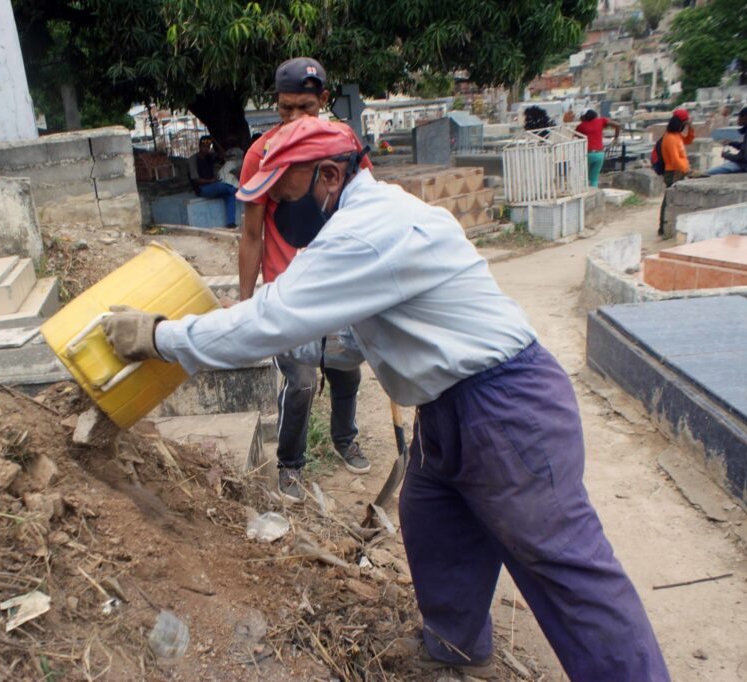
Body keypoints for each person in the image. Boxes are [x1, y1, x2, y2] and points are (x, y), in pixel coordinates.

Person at [102, 116, 671, 681]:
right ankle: (456, 648)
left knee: (564, 566)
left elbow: (270, 321)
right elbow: (287, 302)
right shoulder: (351, 225)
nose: (276, 211)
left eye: (283, 195)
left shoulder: (368, 229)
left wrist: (157, 337)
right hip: (451, 407)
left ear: (329, 176)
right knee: (432, 520)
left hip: (505, 408)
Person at [238, 57, 374, 502]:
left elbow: (365, 212)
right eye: (285, 109)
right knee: (298, 384)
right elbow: (252, 234)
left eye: (306, 108)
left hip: (338, 290)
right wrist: (245, 304)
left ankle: (343, 439)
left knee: (346, 372)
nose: (295, 120)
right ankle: (290, 464)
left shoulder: (345, 145)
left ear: (324, 102)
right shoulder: (263, 155)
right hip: (288, 291)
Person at [656, 108, 696, 236]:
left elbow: (689, 140)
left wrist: (691, 128)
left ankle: (666, 224)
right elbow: (674, 159)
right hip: (673, 172)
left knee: (671, 197)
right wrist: (688, 171)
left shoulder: (676, 135)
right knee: (669, 198)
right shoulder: (670, 138)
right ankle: (663, 226)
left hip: (678, 170)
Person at [187, 135, 238, 227]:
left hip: (213, 186)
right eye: (204, 147)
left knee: (230, 195)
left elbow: (225, 156)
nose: (206, 149)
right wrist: (211, 181)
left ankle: (231, 223)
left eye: (208, 147)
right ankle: (239, 192)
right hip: (202, 189)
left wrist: (215, 141)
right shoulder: (193, 159)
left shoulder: (210, 156)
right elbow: (196, 179)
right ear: (199, 147)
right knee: (224, 187)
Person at [705, 106, 747, 175]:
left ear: (745, 117)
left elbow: (744, 157)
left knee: (708, 172)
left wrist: (727, 155)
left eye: (739, 117)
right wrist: (732, 143)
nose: (738, 120)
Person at [575, 108, 622, 188]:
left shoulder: (580, 126)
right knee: (594, 178)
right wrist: (616, 138)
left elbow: (577, 138)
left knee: (583, 176)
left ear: (584, 117)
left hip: (587, 154)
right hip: (599, 154)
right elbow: (617, 125)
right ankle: (594, 193)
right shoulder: (601, 121)